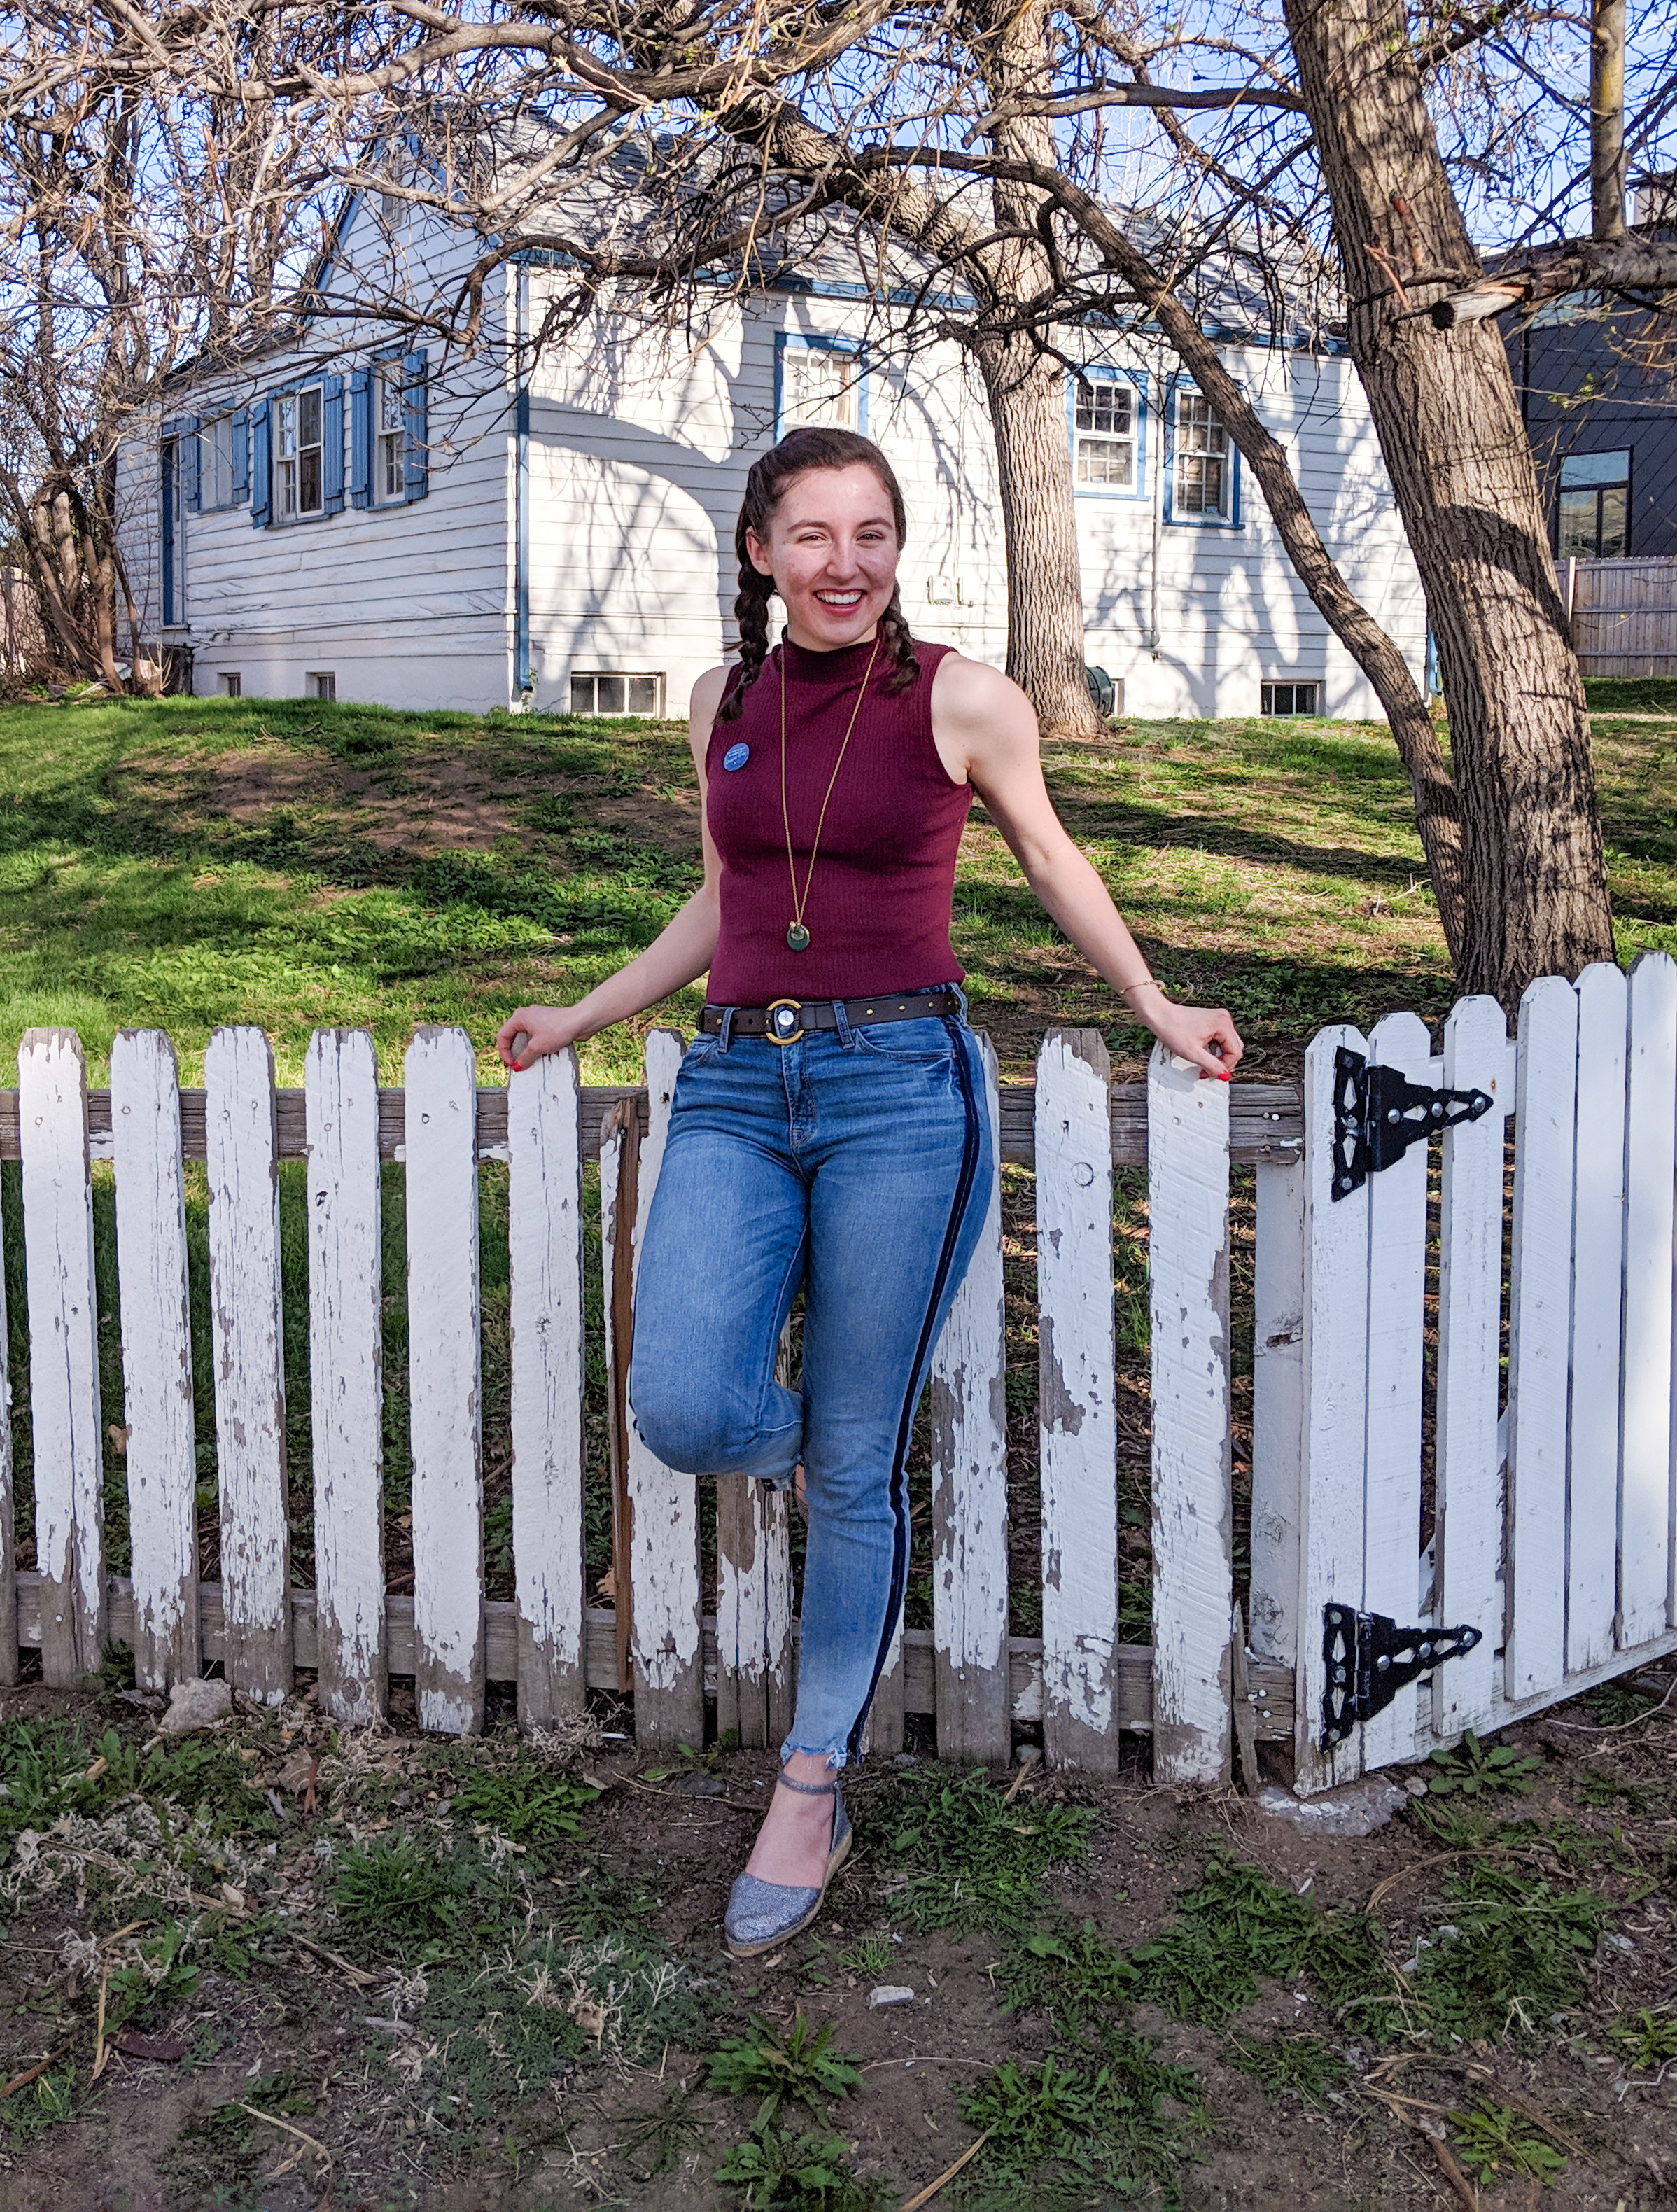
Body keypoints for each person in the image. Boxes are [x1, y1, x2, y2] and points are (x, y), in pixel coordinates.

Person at [496, 424, 1242, 1957]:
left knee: (853, 1459)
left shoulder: (963, 695)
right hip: (732, 1082)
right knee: (691, 1405)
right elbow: (729, 894)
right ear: (760, 552)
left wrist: (1159, 1006)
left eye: (873, 533)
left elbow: (1048, 857)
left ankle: (813, 1774)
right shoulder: (719, 702)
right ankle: (839, 1466)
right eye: (813, 534)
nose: (846, 563)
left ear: (897, 547)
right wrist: (586, 1012)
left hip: (901, 1088)